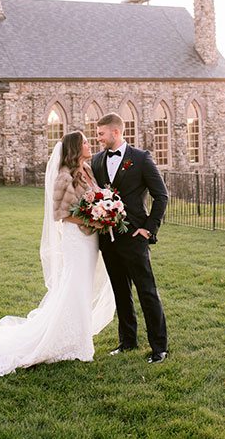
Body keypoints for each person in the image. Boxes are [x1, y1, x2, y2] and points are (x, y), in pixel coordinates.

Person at [0, 131, 115, 378]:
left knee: (82, 288)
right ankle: (71, 342)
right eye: (85, 143)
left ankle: (77, 336)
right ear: (74, 149)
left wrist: (104, 210)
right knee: (74, 287)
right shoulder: (63, 177)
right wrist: (93, 217)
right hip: (77, 240)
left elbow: (96, 198)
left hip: (90, 240)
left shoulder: (87, 171)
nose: (90, 145)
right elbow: (61, 213)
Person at [91, 113, 169, 364]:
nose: (98, 137)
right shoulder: (96, 160)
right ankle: (128, 341)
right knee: (120, 292)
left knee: (147, 292)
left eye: (101, 133)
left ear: (115, 132)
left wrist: (148, 229)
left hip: (134, 237)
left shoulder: (141, 159)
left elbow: (162, 196)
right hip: (108, 239)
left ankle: (159, 347)